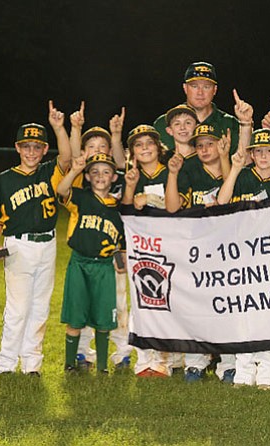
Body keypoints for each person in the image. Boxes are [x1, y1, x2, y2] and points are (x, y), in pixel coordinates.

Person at [0, 111, 71, 376]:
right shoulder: (5, 179)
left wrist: (59, 128)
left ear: (45, 149)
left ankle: (32, 362)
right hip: (18, 246)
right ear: (17, 148)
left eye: (37, 147)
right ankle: (6, 362)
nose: (31, 152)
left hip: (47, 244)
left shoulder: (48, 172)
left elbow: (67, 158)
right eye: (26, 146)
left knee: (40, 306)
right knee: (18, 308)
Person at [216, 128, 270, 389]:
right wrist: (234, 169)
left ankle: (268, 372)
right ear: (251, 154)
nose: (264, 155)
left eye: (269, 150)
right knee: (244, 314)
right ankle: (244, 371)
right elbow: (222, 202)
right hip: (244, 255)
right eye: (258, 151)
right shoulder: (244, 176)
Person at [68, 107, 133, 372]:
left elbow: (119, 164)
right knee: (83, 304)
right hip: (86, 254)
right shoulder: (85, 177)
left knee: (117, 303)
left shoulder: (114, 178)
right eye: (91, 145)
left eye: (102, 145)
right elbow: (74, 158)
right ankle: (83, 352)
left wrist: (116, 136)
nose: (97, 149)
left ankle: (122, 351)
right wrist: (75, 130)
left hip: (115, 248)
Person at [56, 153, 125, 374]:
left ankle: (103, 367)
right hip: (80, 263)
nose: (100, 176)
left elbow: (121, 243)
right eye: (94, 171)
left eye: (106, 172)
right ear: (87, 176)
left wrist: (119, 258)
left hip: (104, 267)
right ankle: (69, 364)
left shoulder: (119, 209)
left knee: (104, 317)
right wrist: (74, 170)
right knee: (76, 316)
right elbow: (61, 191)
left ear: (114, 177)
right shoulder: (80, 197)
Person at [123, 124, 182, 377]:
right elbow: (125, 210)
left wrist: (149, 199)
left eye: (149, 143)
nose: (145, 148)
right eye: (138, 144)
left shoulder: (171, 169)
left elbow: (173, 207)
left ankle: (165, 360)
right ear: (132, 152)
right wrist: (130, 187)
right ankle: (144, 359)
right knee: (141, 301)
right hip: (140, 247)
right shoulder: (130, 175)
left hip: (169, 243)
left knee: (166, 300)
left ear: (159, 147)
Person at [153, 61, 242, 157]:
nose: (200, 92)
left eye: (206, 87)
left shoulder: (229, 123)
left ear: (215, 90)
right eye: (194, 86)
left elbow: (245, 162)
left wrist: (246, 123)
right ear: (185, 88)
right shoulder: (163, 123)